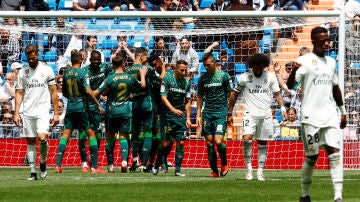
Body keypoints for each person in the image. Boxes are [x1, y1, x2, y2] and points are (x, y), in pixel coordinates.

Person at [286, 26, 347, 202]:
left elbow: (335, 88)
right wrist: (295, 71)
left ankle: (338, 196)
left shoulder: (331, 62)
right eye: (323, 40)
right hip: (310, 117)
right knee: (312, 157)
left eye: (328, 40)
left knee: (334, 153)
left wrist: (342, 112)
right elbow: (290, 86)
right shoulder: (304, 61)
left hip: (329, 115)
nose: (327, 43)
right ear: (314, 41)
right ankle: (305, 195)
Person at [228, 53, 287, 181]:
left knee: (262, 143)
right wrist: (230, 112)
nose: (258, 69)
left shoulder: (270, 77)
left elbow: (277, 94)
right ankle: (249, 169)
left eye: (261, 66)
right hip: (250, 113)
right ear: (252, 66)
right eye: (256, 66)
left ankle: (260, 172)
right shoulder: (244, 77)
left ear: (264, 66)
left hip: (265, 114)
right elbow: (234, 94)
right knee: (247, 139)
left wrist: (282, 108)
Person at [93, 54, 147, 173]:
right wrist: (142, 75)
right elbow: (142, 86)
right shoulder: (129, 77)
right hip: (125, 111)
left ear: (112, 64)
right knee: (124, 137)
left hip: (111, 111)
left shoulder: (110, 78)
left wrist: (98, 95)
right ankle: (123, 162)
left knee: (110, 138)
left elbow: (96, 93)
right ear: (123, 63)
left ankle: (111, 165)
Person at [54, 50, 105, 174]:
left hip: (70, 106)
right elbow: (88, 91)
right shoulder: (83, 72)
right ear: (81, 60)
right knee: (91, 135)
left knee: (65, 135)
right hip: (82, 107)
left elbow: (64, 92)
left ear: (72, 61)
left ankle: (58, 165)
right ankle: (94, 167)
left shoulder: (66, 74)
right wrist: (98, 104)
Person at [14, 45, 59, 180]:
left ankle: (43, 163)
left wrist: (56, 113)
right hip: (27, 111)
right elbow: (19, 93)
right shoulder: (23, 72)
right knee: (30, 141)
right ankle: (33, 172)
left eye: (33, 58)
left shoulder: (47, 70)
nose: (31, 60)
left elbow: (53, 92)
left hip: (43, 111)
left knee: (42, 137)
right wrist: (17, 113)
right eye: (29, 58)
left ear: (38, 55)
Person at [152, 60, 191, 176]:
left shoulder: (187, 83)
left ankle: (178, 170)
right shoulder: (167, 80)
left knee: (181, 142)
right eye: (181, 70)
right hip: (167, 116)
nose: (184, 73)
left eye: (185, 70)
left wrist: (188, 118)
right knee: (165, 144)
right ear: (176, 69)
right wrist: (173, 110)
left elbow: (188, 101)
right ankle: (157, 162)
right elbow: (163, 97)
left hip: (180, 117)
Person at [196, 53, 232, 177]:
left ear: (214, 63)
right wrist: (198, 115)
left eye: (208, 65)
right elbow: (200, 96)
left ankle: (224, 163)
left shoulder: (224, 76)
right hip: (208, 113)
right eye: (204, 65)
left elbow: (231, 94)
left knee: (218, 140)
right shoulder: (203, 78)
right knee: (209, 142)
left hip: (221, 113)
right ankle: (214, 171)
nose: (206, 67)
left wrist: (229, 113)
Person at [78, 50, 111, 172]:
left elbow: (111, 79)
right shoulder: (85, 71)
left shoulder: (105, 67)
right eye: (94, 59)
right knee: (82, 134)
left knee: (96, 133)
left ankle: (92, 160)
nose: (96, 61)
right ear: (90, 59)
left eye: (98, 59)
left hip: (96, 107)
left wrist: (104, 93)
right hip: (85, 106)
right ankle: (84, 164)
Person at [125, 47, 155, 172]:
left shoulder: (127, 70)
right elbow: (161, 76)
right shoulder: (146, 68)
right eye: (146, 57)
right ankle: (143, 164)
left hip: (135, 105)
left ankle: (135, 158)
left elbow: (127, 90)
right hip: (147, 105)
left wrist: (132, 96)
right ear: (141, 56)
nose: (147, 60)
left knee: (135, 134)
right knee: (148, 134)